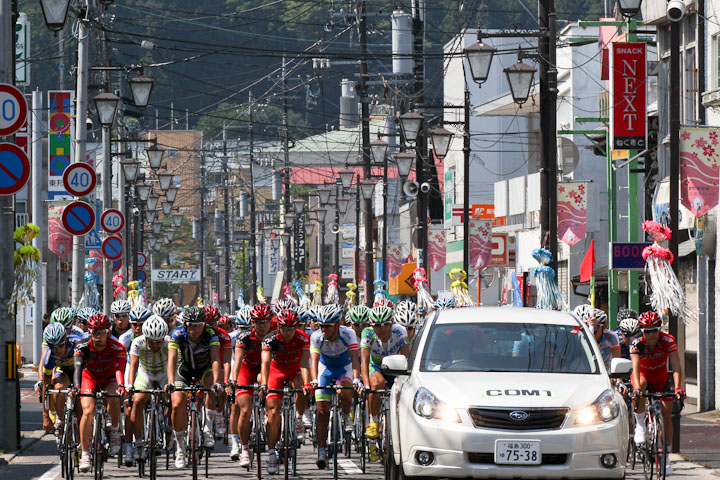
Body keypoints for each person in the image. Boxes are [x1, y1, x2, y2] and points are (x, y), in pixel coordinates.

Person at [166, 306, 222, 469]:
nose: (194, 329)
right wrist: (170, 382)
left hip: (203, 370)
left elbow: (215, 359)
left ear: (204, 324)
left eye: (198, 325)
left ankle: (208, 427)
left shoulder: (210, 334)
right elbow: (171, 360)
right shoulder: (177, 334)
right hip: (184, 371)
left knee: (212, 383)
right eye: (191, 325)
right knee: (176, 404)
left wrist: (217, 382)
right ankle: (180, 448)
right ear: (185, 324)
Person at [630, 311, 685, 476]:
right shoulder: (636, 343)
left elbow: (676, 365)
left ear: (659, 330)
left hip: (661, 377)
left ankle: (666, 456)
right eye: (647, 331)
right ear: (642, 331)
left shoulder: (668, 340)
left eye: (655, 330)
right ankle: (640, 424)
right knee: (639, 387)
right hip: (643, 375)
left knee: (667, 415)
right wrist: (638, 389)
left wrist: (678, 388)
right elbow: (636, 367)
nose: (651, 334)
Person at [259, 308, 312, 475]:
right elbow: (266, 364)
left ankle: (298, 418)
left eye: (292, 328)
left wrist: (307, 384)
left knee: (301, 385)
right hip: (277, 371)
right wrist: (264, 384)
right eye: (285, 328)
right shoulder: (270, 339)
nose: (288, 332)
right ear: (279, 327)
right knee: (273, 412)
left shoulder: (303, 338)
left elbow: (304, 364)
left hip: (295, 370)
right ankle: (272, 453)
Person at [309, 304, 362, 469]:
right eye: (321, 325)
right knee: (322, 411)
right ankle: (322, 450)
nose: (323, 329)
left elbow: (355, 359)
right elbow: (314, 361)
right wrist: (314, 380)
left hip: (344, 368)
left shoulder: (348, 333)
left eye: (327, 326)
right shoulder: (317, 336)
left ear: (337, 325)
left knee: (346, 391)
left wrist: (357, 379)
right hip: (325, 370)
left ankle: (346, 415)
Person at [73, 313, 127, 473]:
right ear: (89, 332)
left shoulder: (118, 347)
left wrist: (122, 386)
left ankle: (115, 430)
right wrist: (76, 387)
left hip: (109, 377)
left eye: (101, 332)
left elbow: (119, 369)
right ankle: (85, 453)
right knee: (87, 412)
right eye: (93, 331)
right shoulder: (81, 346)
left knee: (115, 395)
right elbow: (77, 369)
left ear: (108, 332)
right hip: (89, 377)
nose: (97, 335)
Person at [360, 305, 409, 461]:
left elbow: (407, 358)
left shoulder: (399, 331)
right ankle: (373, 422)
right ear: (371, 325)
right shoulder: (367, 333)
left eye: (385, 325)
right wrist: (366, 386)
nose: (381, 330)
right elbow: (364, 360)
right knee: (376, 384)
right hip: (376, 366)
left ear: (391, 323)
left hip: (395, 365)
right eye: (376, 326)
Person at [229, 304, 273, 465]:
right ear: (252, 323)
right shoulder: (244, 337)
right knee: (245, 410)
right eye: (258, 322)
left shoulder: (275, 335)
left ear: (270, 322)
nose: (262, 326)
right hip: (246, 371)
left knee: (272, 405)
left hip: (265, 370)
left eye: (265, 322)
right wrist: (233, 380)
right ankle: (245, 449)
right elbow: (238, 360)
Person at [126, 315, 169, 465]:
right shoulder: (138, 343)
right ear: (146, 338)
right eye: (152, 341)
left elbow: (175, 364)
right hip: (146, 376)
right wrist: (130, 385)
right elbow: (133, 366)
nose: (156, 345)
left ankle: (168, 427)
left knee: (172, 398)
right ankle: (138, 442)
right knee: (137, 401)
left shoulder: (170, 343)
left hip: (164, 375)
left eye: (159, 342)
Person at [37, 307, 87, 431]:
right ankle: (60, 419)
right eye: (53, 347)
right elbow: (45, 382)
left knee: (81, 408)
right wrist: (46, 415)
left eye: (60, 345)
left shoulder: (77, 341)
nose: (57, 350)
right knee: (57, 387)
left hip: (79, 369)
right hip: (63, 371)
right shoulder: (50, 350)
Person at [204, 305, 232, 439]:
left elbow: (227, 361)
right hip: (202, 366)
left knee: (220, 385)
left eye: (213, 323)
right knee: (197, 395)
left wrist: (227, 380)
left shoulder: (224, 336)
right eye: (207, 323)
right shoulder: (198, 334)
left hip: (219, 364)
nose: (210, 326)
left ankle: (219, 413)